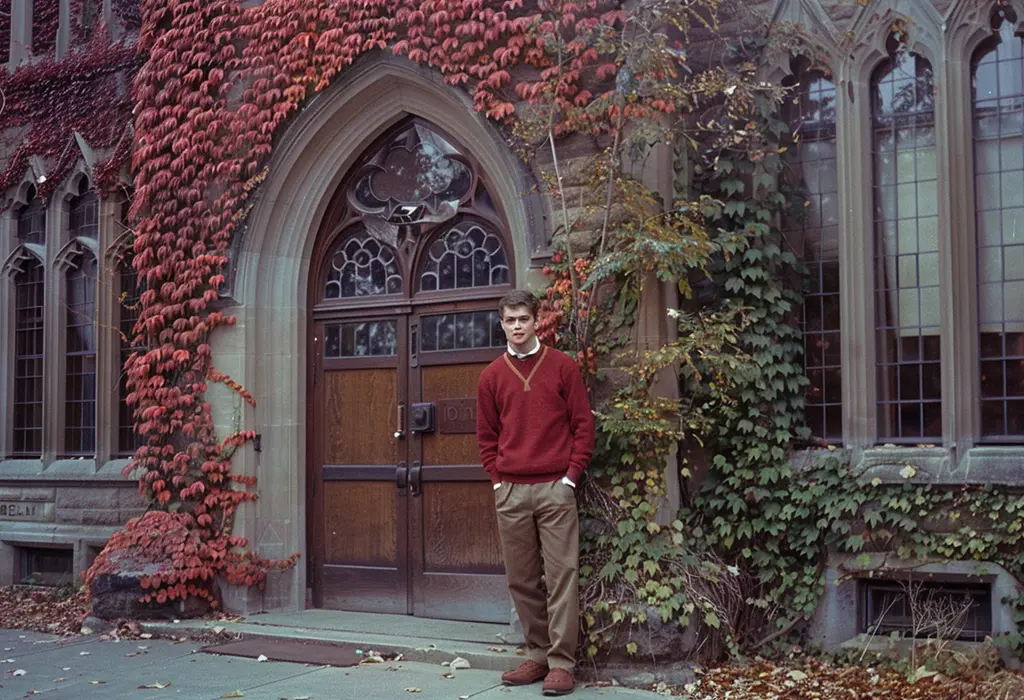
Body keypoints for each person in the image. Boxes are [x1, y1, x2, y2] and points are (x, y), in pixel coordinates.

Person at [476, 289, 595, 696]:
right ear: (502, 324)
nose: (516, 327)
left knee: (562, 577)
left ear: (536, 320)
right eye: (509, 321)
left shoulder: (562, 367)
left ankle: (562, 664)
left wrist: (570, 477)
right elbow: (486, 435)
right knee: (522, 580)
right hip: (511, 491)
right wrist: (496, 480)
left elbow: (583, 425)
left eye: (522, 319)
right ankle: (538, 654)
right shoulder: (491, 375)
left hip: (554, 489)